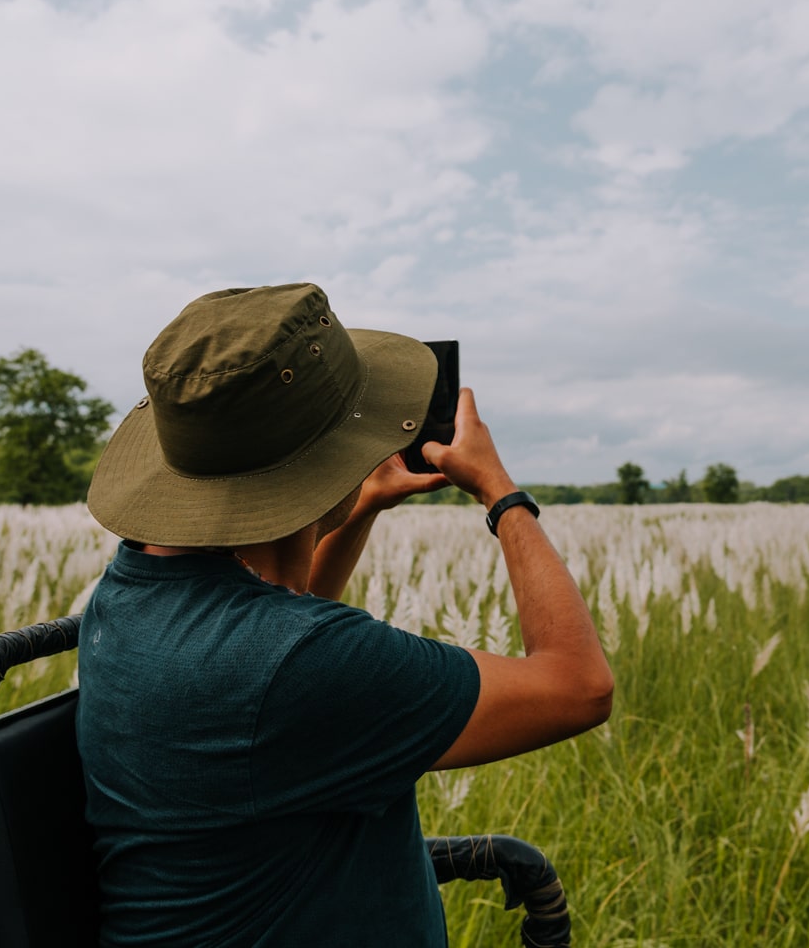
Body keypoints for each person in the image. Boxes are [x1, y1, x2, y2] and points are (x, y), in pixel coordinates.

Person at [77, 283, 613, 946]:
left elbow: (273, 636)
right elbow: (579, 686)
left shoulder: (130, 594)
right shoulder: (304, 662)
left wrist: (356, 506)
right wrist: (501, 493)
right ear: (323, 463)